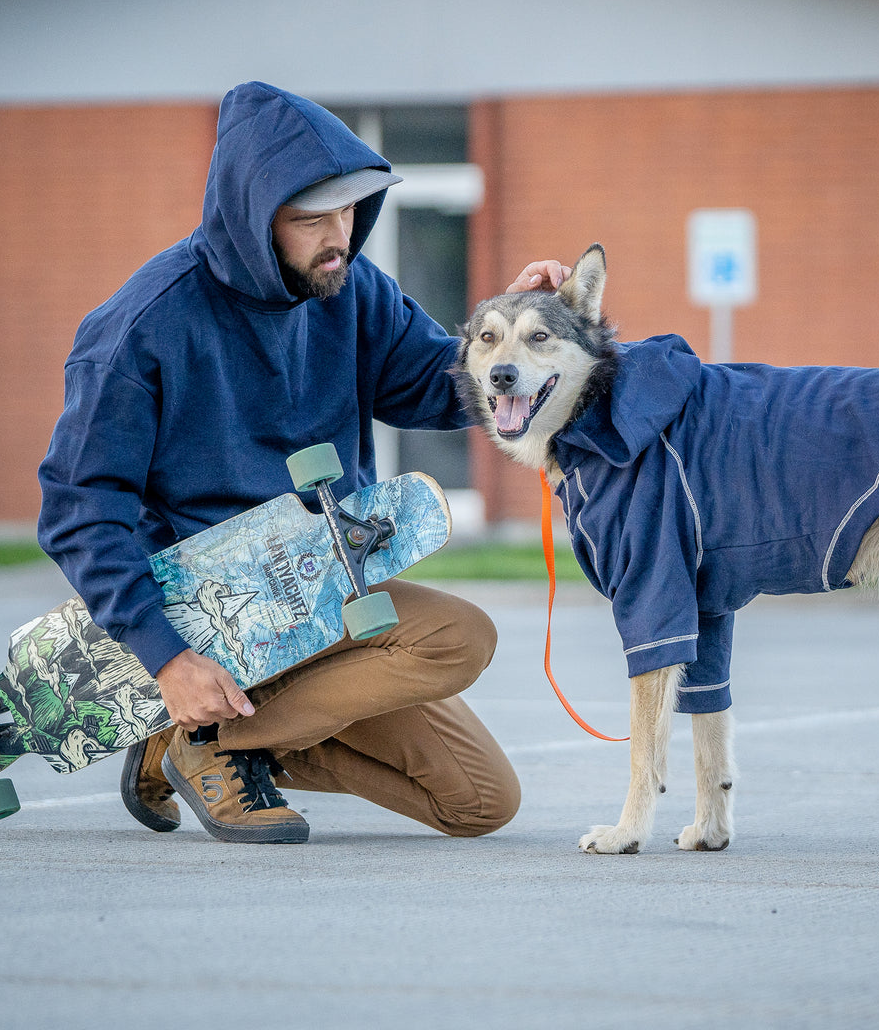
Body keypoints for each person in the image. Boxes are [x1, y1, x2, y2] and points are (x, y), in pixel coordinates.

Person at [37, 80, 566, 844]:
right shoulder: (142, 328)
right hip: (212, 614)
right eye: (310, 217)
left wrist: (511, 340)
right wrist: (168, 659)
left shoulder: (348, 290)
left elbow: (431, 385)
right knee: (459, 635)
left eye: (348, 210)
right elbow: (80, 505)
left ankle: (208, 742)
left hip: (320, 594)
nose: (338, 235)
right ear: (252, 219)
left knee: (480, 803)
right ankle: (206, 730)